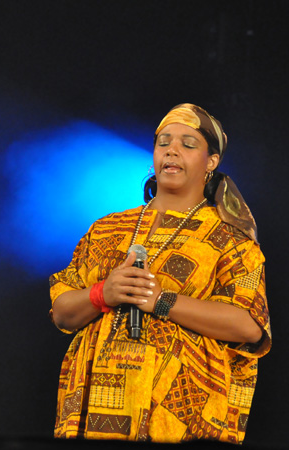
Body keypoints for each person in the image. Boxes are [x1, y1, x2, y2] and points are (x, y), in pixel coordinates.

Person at [49, 104, 270, 444]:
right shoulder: (108, 229)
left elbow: (249, 326)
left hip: (180, 418)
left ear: (211, 162)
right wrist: (101, 294)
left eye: (188, 143)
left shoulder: (231, 240)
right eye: (163, 141)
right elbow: (62, 311)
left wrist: (161, 301)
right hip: (96, 411)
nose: (171, 149)